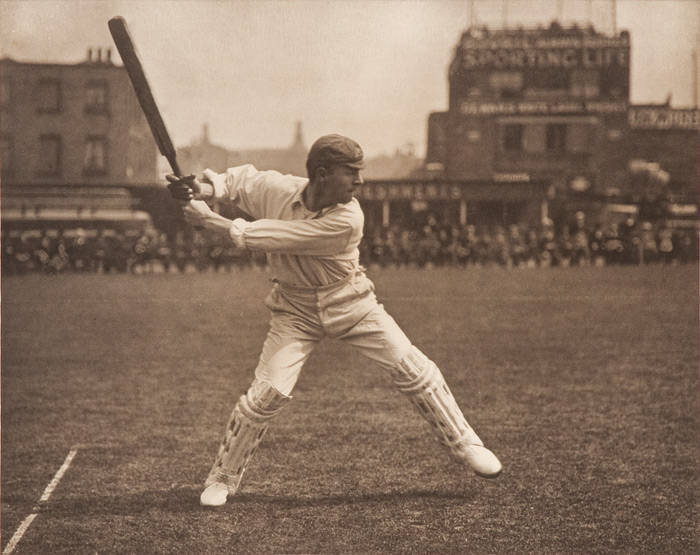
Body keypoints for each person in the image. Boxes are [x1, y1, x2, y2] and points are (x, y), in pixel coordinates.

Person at [166, 134, 502, 507]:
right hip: (294, 310)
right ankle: (223, 477)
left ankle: (467, 443)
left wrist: (210, 220)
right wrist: (204, 186)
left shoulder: (349, 218)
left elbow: (279, 236)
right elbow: (239, 182)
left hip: (352, 303)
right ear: (323, 174)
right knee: (265, 396)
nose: (360, 181)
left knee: (413, 369)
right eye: (351, 173)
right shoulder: (279, 189)